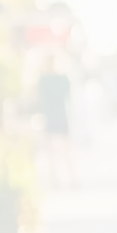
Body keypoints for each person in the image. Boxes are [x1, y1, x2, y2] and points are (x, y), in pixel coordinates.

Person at [34, 52, 79, 190]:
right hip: (61, 116)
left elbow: (38, 99)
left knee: (51, 151)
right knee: (67, 150)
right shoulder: (64, 79)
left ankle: (55, 181)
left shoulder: (42, 80)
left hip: (49, 116)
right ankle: (73, 179)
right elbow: (70, 100)